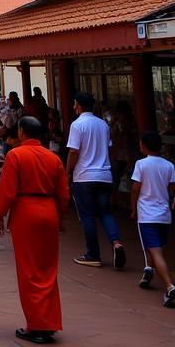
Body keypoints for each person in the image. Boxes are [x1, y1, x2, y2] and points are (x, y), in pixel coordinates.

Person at [0, 116, 69, 345]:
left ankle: (37, 325)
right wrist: (61, 217)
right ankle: (50, 321)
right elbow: (63, 194)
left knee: (29, 270)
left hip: (26, 212)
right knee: (47, 269)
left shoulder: (15, 155)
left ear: (22, 132)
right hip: (49, 211)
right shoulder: (53, 158)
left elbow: (7, 190)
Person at [67, 90, 125, 269]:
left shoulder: (77, 125)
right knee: (105, 212)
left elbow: (74, 151)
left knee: (87, 216)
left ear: (79, 104)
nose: (74, 106)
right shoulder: (103, 125)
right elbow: (109, 149)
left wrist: (67, 170)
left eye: (75, 103)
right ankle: (116, 242)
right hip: (104, 175)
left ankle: (93, 253)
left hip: (84, 176)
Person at [131, 130, 175, 305]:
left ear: (143, 146)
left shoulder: (141, 164)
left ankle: (170, 286)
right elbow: (172, 187)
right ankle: (148, 271)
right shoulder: (169, 166)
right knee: (157, 248)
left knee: (155, 251)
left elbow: (135, 188)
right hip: (164, 214)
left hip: (147, 214)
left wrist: (133, 208)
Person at [109, 100, 137, 192]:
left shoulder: (132, 124)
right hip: (118, 156)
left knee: (130, 178)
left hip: (129, 156)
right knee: (116, 178)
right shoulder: (115, 124)